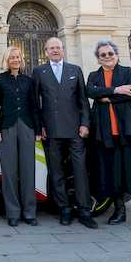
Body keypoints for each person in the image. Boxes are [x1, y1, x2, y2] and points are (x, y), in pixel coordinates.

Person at [86, 40, 131, 228]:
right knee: (114, 174)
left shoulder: (128, 72)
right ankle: (119, 211)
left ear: (116, 55)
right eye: (103, 55)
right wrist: (117, 90)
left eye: (110, 53)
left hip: (130, 132)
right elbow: (91, 91)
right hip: (107, 134)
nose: (107, 57)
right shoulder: (94, 75)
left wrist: (106, 98)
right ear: (98, 59)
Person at [33, 37, 97, 229]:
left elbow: (83, 101)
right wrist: (40, 126)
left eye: (58, 47)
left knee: (80, 171)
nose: (55, 50)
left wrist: (85, 124)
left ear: (63, 50)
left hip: (75, 130)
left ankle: (85, 211)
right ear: (45, 51)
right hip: (51, 131)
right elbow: (35, 104)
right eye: (51, 48)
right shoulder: (39, 72)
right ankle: (65, 210)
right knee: (57, 172)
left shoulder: (75, 70)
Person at [0, 46, 41, 227]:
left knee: (28, 170)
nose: (15, 60)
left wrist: (37, 130)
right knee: (9, 171)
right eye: (12, 57)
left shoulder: (29, 80)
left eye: (18, 57)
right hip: (6, 128)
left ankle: (29, 212)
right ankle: (12, 212)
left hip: (27, 127)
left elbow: (35, 107)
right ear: (6, 60)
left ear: (21, 59)